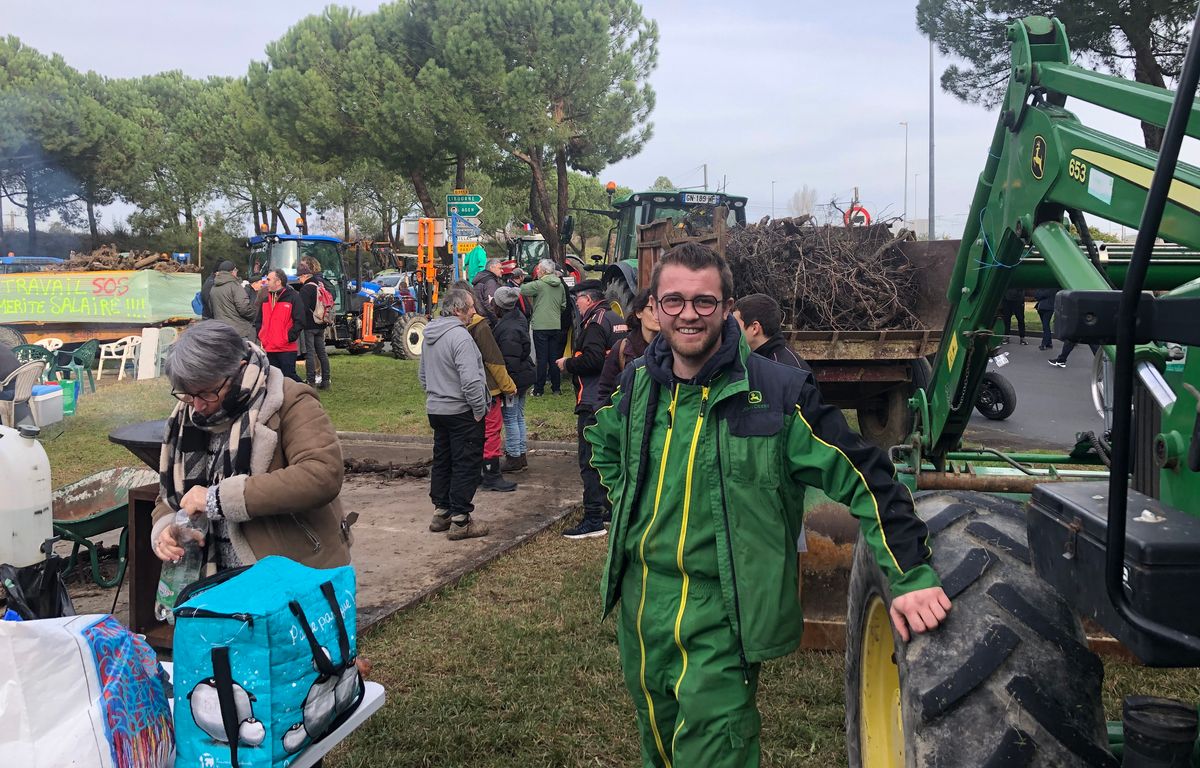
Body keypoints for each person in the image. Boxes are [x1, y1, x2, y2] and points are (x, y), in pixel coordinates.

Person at [586, 243, 949, 768]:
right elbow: (604, 443)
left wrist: (911, 573)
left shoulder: (778, 393)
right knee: (659, 750)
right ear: (655, 308)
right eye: (674, 301)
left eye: (704, 301)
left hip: (721, 612)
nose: (688, 313)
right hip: (642, 610)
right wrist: (628, 507)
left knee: (712, 755)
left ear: (728, 307)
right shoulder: (639, 383)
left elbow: (866, 477)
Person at [150, 321, 351, 570]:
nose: (197, 406)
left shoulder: (290, 400)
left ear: (238, 370)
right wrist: (165, 528)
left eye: (207, 393)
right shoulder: (184, 418)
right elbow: (169, 493)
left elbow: (322, 474)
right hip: (210, 579)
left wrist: (218, 499)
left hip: (291, 573)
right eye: (188, 394)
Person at [419, 288, 492, 540]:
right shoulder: (460, 338)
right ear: (458, 310)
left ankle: (442, 513)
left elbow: (423, 376)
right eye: (471, 307)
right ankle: (461, 520)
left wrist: (437, 395)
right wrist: (479, 409)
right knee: (465, 463)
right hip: (461, 410)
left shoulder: (430, 335)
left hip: (437, 409)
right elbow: (471, 380)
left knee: (443, 460)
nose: (475, 312)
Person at [557, 279, 626, 539]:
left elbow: (595, 359)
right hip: (611, 397)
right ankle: (609, 509)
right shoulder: (615, 318)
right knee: (608, 456)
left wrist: (568, 364)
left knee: (589, 460)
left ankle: (593, 519)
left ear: (588, 299)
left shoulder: (595, 324)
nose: (576, 303)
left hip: (593, 399)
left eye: (578, 299)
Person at [455, 280, 519, 492]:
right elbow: (494, 360)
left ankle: (473, 473)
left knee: (470, 434)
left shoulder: (448, 328)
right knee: (491, 430)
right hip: (487, 390)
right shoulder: (480, 326)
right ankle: (492, 473)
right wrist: (508, 386)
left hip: (459, 390)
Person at [493, 287, 535, 472]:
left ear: (500, 306)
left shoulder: (507, 329)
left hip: (514, 379)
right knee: (518, 416)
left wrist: (507, 384)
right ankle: (521, 454)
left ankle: (514, 457)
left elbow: (510, 360)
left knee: (510, 418)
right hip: (525, 374)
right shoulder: (518, 319)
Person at [596, 288, 658, 405]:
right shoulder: (622, 349)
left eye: (662, 309)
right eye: (652, 309)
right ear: (639, 313)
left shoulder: (673, 350)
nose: (658, 315)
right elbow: (605, 393)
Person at [521, 258, 568, 396]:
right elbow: (563, 305)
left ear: (543, 271)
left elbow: (523, 290)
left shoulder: (539, 284)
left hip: (541, 326)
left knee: (541, 359)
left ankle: (539, 389)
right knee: (554, 357)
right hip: (555, 325)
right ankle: (556, 388)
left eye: (539, 269)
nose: (538, 271)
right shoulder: (559, 285)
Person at [733, 293, 810, 370]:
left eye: (735, 325)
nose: (731, 330)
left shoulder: (781, 371)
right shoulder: (765, 360)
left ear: (754, 328)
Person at [256, 269, 304, 382]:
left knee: (289, 377)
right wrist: (262, 336)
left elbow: (300, 320)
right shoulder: (265, 299)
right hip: (270, 347)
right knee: (273, 380)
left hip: (286, 347)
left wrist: (289, 337)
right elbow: (259, 321)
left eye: (268, 279)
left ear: (278, 281)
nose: (266, 282)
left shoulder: (293, 297)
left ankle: (305, 394)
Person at [296, 263, 332, 390]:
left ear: (305, 275)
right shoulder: (319, 284)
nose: (299, 280)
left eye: (299, 277)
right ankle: (326, 381)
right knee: (322, 353)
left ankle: (311, 381)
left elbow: (302, 308)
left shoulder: (306, 289)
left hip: (310, 325)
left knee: (310, 353)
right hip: (321, 323)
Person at [209, 261, 257, 341]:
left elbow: (211, 308)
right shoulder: (235, 286)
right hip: (238, 331)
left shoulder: (214, 287)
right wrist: (254, 314)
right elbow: (244, 308)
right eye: (236, 270)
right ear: (232, 271)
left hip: (221, 330)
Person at [471, 258, 504, 326]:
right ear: (491, 267)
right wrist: (496, 321)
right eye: (499, 268)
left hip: (481, 318)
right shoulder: (490, 282)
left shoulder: (481, 278)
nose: (502, 270)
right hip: (488, 321)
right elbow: (490, 304)